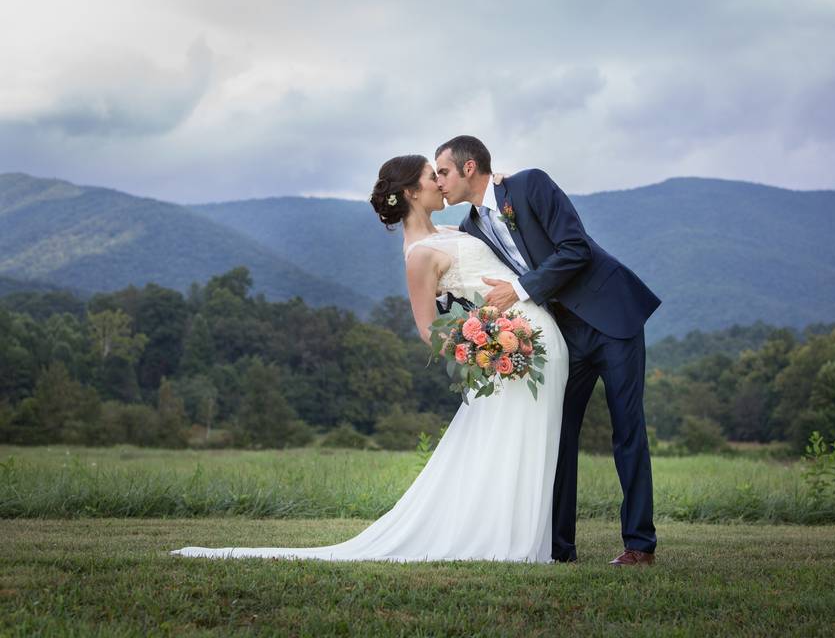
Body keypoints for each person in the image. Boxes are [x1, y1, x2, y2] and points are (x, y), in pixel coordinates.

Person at [169, 154, 570, 562]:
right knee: (509, 444)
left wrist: (497, 181)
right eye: (434, 177)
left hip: (531, 338)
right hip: (511, 350)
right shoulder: (419, 254)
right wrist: (481, 349)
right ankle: (504, 542)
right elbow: (428, 329)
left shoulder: (452, 229)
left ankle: (520, 538)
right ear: (413, 191)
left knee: (525, 441)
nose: (441, 183)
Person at [434, 136, 661, 566]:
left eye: (442, 171)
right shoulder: (470, 229)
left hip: (611, 316)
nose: (439, 181)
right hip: (562, 335)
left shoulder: (529, 185)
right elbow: (470, 275)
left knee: (628, 429)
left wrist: (519, 290)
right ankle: (559, 548)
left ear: (468, 169)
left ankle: (639, 545)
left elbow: (574, 248)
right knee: (557, 434)